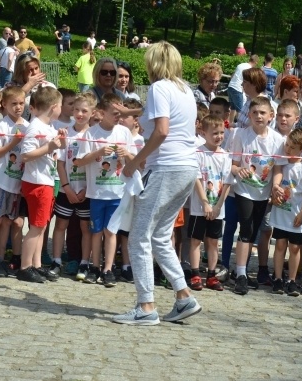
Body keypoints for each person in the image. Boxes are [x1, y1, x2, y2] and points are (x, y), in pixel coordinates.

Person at [111, 41, 201, 325]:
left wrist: (137, 161)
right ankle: (183, 295)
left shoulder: (158, 88)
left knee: (139, 236)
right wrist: (131, 114)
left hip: (166, 167)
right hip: (187, 167)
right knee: (161, 236)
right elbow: (166, 119)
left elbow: (162, 130)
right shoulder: (184, 90)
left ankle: (146, 305)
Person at [75, 93, 135, 286]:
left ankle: (108, 269)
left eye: (120, 113)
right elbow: (80, 161)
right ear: (101, 112)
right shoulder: (91, 133)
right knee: (96, 231)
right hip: (97, 193)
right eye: (114, 113)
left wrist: (126, 154)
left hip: (117, 193)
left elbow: (136, 160)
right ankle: (94, 266)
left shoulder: (124, 132)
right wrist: (99, 152)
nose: (118, 117)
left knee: (111, 232)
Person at [228, 96, 284, 296]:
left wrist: (275, 186)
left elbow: (278, 168)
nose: (259, 116)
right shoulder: (240, 135)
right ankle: (241, 274)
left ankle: (239, 270)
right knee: (246, 227)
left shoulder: (278, 140)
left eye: (263, 113)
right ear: (249, 115)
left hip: (263, 192)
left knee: (253, 233)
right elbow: (233, 164)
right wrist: (238, 171)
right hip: (244, 190)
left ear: (271, 116)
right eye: (255, 113)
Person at [18, 86, 67, 283]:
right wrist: (50, 146)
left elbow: (56, 150)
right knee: (37, 227)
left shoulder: (48, 127)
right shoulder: (35, 126)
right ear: (54, 107)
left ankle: (36, 265)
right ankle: (25, 266)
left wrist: (60, 141)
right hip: (37, 182)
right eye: (61, 106)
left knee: (41, 225)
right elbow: (26, 155)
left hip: (46, 180)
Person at [0, 86, 29, 277]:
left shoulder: (27, 125)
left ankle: (2, 258)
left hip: (17, 183)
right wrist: (13, 143)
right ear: (4, 104)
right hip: (1, 180)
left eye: (21, 103)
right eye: (14, 104)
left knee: (8, 222)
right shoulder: (1, 126)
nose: (18, 107)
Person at [51, 92, 96, 280]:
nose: (79, 114)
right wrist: (67, 186)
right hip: (67, 189)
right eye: (76, 109)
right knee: (61, 224)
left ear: (92, 113)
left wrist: (87, 189)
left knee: (86, 227)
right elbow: (60, 163)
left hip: (87, 190)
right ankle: (56, 261)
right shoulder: (65, 132)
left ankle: (85, 262)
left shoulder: (95, 135)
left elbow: (96, 165)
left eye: (84, 110)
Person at [186, 115, 232, 292]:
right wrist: (205, 203)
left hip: (217, 208)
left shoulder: (225, 156)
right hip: (199, 208)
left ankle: (212, 275)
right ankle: (195, 273)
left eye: (222, 132)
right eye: (215, 133)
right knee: (196, 240)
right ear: (203, 133)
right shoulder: (198, 153)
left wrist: (218, 205)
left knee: (213, 242)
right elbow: (197, 179)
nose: (219, 136)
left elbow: (227, 182)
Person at [269, 128, 302, 295]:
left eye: (292, 147)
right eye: (286, 145)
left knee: (295, 248)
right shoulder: (281, 164)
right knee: (280, 245)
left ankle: (292, 280)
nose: (287, 150)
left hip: (296, 216)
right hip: (281, 214)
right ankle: (278, 278)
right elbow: (274, 187)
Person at [227, 53, 258, 117]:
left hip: (230, 86)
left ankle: (230, 123)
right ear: (255, 62)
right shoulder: (249, 69)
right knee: (240, 110)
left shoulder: (241, 65)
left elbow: (232, 75)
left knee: (232, 108)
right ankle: (239, 124)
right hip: (237, 88)